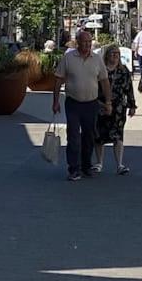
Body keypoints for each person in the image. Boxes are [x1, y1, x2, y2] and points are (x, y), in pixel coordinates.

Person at [53, 30, 113, 181]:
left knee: (89, 136)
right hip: (73, 103)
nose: (87, 45)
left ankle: (86, 166)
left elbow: (104, 81)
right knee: (73, 136)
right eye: (84, 42)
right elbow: (58, 79)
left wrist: (108, 101)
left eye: (89, 42)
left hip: (91, 104)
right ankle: (73, 168)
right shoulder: (68, 58)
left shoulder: (97, 59)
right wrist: (55, 101)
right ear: (77, 42)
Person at [93, 45, 136, 175]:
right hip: (101, 105)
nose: (115, 56)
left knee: (118, 135)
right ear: (107, 55)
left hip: (118, 107)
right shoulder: (100, 70)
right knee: (99, 135)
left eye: (117, 53)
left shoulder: (124, 71)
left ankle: (119, 164)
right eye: (112, 53)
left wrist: (132, 105)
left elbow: (129, 89)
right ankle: (99, 163)